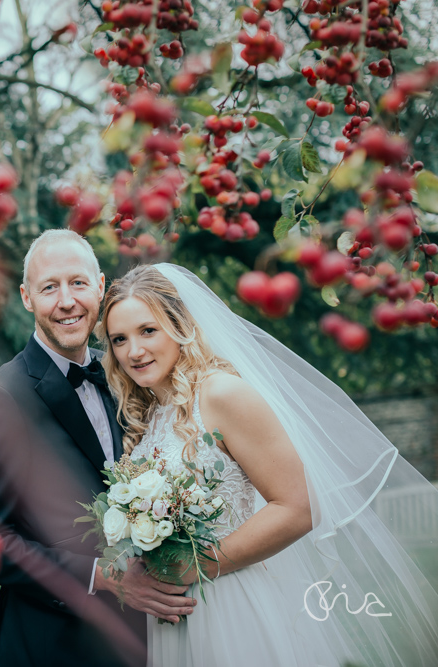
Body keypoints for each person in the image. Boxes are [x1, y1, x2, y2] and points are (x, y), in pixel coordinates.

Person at [100, 263, 438, 667]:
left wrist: (198, 565)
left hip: (229, 601)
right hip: (174, 611)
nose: (133, 351)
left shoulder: (222, 393)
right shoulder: (151, 411)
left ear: (180, 325)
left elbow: (299, 507)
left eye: (147, 330)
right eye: (119, 339)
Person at [0, 231, 194, 667]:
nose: (66, 301)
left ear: (101, 287)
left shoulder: (126, 370)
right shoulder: (2, 399)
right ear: (27, 298)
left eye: (78, 283)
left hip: (144, 639)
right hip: (52, 646)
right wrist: (102, 578)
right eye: (50, 287)